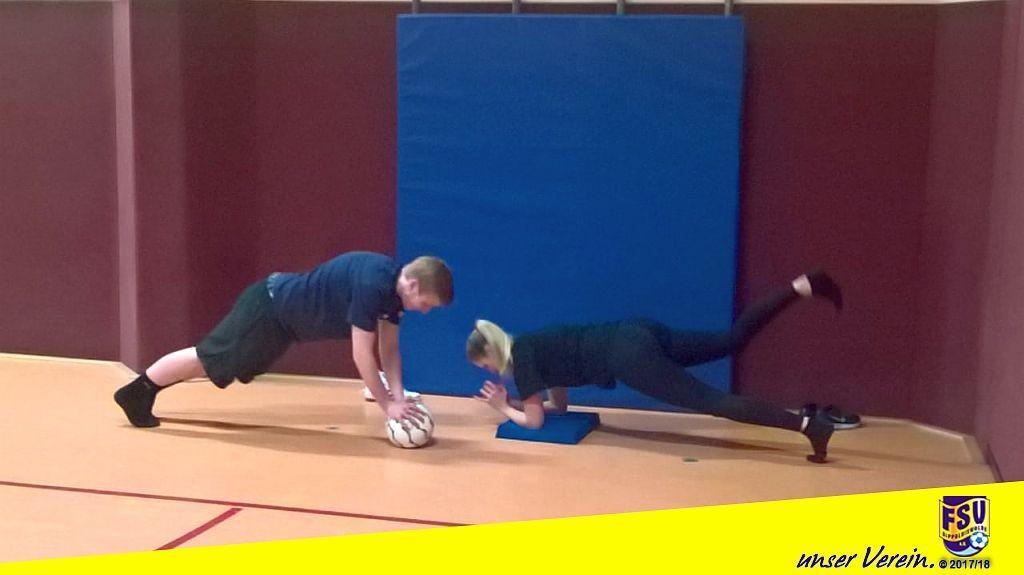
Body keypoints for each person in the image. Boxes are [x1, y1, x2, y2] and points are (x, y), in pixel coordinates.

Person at [467, 270, 842, 463]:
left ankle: (810, 427)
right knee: (730, 340)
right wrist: (514, 403)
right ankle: (802, 286)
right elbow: (559, 406)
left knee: (711, 401)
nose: (488, 370)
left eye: (484, 363)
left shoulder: (523, 361)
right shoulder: (531, 345)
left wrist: (503, 408)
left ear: (493, 352)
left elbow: (535, 423)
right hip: (635, 331)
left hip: (629, 357)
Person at [114, 252, 453, 428]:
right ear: (413, 285)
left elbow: (388, 349)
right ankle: (138, 392)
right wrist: (387, 406)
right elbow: (362, 354)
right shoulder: (373, 284)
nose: (425, 311)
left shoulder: (391, 292)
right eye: (427, 304)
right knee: (208, 358)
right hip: (268, 309)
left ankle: (143, 390)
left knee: (220, 366)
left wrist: (399, 397)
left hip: (283, 326)